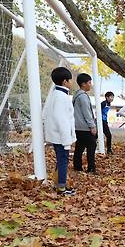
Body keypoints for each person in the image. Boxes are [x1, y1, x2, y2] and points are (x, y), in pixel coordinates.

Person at [43, 67, 76, 195]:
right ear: (64, 81)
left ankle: (58, 183)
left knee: (60, 159)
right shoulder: (61, 97)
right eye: (70, 80)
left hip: (56, 135)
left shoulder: (54, 94)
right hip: (61, 136)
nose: (71, 82)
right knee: (63, 160)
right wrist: (66, 139)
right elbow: (61, 119)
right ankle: (61, 186)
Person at [72, 73, 97, 174]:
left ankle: (77, 167)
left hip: (78, 127)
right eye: (89, 82)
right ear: (83, 84)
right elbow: (87, 113)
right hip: (85, 127)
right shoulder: (83, 97)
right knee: (91, 147)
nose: (91, 85)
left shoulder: (77, 94)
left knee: (79, 147)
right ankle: (91, 168)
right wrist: (92, 126)